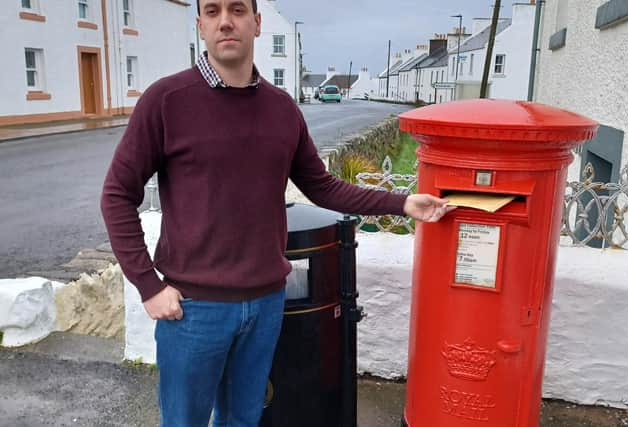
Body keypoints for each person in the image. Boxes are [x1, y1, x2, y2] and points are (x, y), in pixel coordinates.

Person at [100, 0, 454, 426]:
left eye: (236, 10)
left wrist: (401, 203)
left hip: (266, 303)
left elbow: (321, 185)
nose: (225, 21)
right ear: (200, 25)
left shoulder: (282, 108)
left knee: (244, 420)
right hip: (194, 309)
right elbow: (117, 195)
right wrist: (148, 286)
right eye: (212, 11)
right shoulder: (166, 100)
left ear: (257, 23)